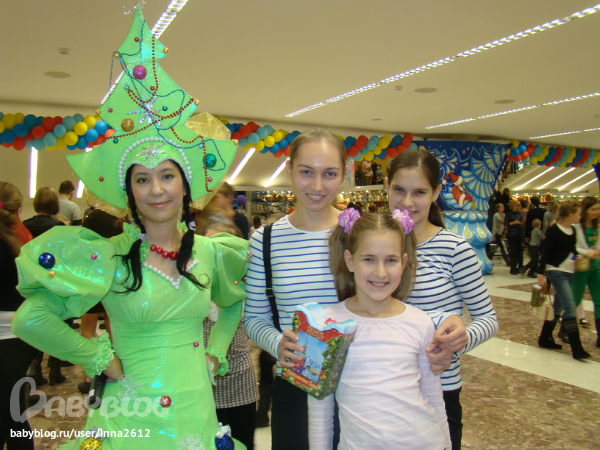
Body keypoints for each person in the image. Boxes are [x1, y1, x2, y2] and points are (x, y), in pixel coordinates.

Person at [245, 130, 466, 450]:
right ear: (289, 170)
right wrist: (279, 344)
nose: (317, 185)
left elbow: (398, 304)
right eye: (306, 172)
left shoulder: (363, 230)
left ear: (344, 174)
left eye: (329, 173)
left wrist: (447, 321)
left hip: (366, 389)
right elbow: (255, 318)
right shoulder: (265, 241)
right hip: (299, 380)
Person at [385, 148, 498, 450]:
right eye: (399, 190)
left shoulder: (454, 249)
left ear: (436, 193)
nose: (407, 202)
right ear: (387, 187)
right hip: (382, 387)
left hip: (438, 387)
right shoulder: (373, 242)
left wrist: (455, 343)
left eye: (419, 192)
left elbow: (488, 319)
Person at [308, 211, 451, 450]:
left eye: (391, 260)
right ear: (350, 260)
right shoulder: (325, 324)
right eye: (369, 259)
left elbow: (434, 395)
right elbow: (320, 410)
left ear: (404, 262)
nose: (381, 272)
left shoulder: (420, 322)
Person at [204, 222, 259, 450]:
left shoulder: (247, 289)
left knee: (243, 443)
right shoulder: (195, 290)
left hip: (241, 383)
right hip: (203, 385)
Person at [0, 182, 37, 450]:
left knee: (11, 418)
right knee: (13, 415)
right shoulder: (26, 240)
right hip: (21, 335)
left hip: (8, 337)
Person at [22, 187, 68, 386]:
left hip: (33, 282)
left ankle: (35, 366)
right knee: (58, 324)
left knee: (36, 322)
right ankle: (55, 369)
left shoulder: (25, 225)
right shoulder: (59, 227)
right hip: (54, 281)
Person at [537, 201, 591, 360]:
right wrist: (540, 274)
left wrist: (577, 257)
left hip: (570, 271)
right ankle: (577, 348)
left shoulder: (572, 230)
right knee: (569, 304)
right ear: (571, 214)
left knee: (559, 306)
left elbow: (571, 250)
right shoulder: (554, 230)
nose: (580, 216)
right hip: (556, 271)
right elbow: (546, 253)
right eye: (579, 214)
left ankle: (544, 338)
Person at [572, 196, 600, 345]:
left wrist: (596, 252)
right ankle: (565, 329)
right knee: (575, 299)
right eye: (593, 209)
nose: (596, 212)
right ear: (585, 210)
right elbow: (573, 246)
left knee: (599, 300)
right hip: (581, 267)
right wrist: (587, 253)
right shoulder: (577, 226)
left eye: (598, 209)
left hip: (594, 267)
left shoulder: (597, 226)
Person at [505, 200, 523, 275]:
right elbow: (506, 223)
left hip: (518, 234)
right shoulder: (509, 214)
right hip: (512, 234)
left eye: (518, 206)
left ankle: (516, 267)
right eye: (516, 206)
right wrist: (514, 222)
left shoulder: (518, 214)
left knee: (518, 251)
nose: (517, 207)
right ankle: (512, 268)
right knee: (513, 251)